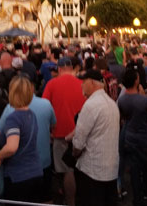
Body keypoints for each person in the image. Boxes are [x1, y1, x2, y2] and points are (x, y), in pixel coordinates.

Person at [0, 76, 56, 203]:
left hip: (18, 174)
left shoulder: (12, 115)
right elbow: (53, 125)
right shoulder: (33, 113)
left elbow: (11, 146)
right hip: (38, 168)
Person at [71, 69, 120, 206]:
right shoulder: (111, 103)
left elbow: (79, 142)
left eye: (83, 82)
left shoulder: (91, 105)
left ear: (91, 83)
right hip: (110, 169)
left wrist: (74, 152)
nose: (81, 85)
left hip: (92, 170)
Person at [42, 56, 85, 206]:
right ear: (72, 69)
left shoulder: (52, 84)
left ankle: (70, 201)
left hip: (60, 133)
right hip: (81, 132)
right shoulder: (82, 84)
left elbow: (45, 107)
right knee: (79, 169)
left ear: (59, 69)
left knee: (67, 170)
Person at [117, 68, 147, 206]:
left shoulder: (122, 99)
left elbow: (123, 116)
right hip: (146, 138)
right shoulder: (143, 100)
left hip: (130, 137)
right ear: (136, 81)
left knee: (134, 170)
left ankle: (138, 198)